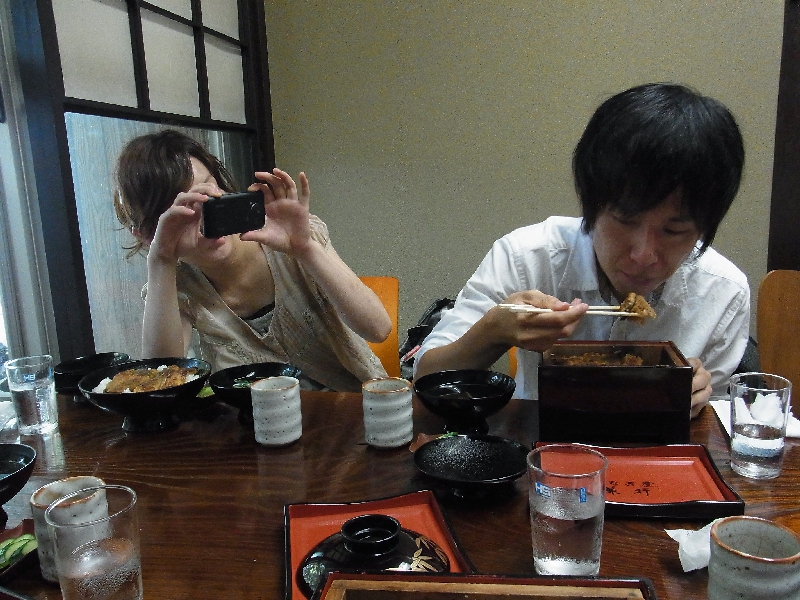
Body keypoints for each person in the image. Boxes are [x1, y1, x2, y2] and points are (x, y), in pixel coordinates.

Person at [414, 83, 750, 418]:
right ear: (592, 204)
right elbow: (426, 380)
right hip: (542, 437)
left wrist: (699, 398)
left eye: (674, 231)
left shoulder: (724, 291)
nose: (644, 254)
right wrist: (493, 332)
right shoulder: (527, 257)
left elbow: (719, 417)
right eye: (625, 220)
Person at [113, 129, 391, 391]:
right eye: (183, 208)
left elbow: (378, 329)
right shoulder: (178, 287)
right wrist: (160, 261)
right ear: (151, 234)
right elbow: (161, 383)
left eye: (208, 190)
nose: (206, 214)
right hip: (256, 422)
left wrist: (306, 249)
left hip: (357, 406)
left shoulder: (291, 238)